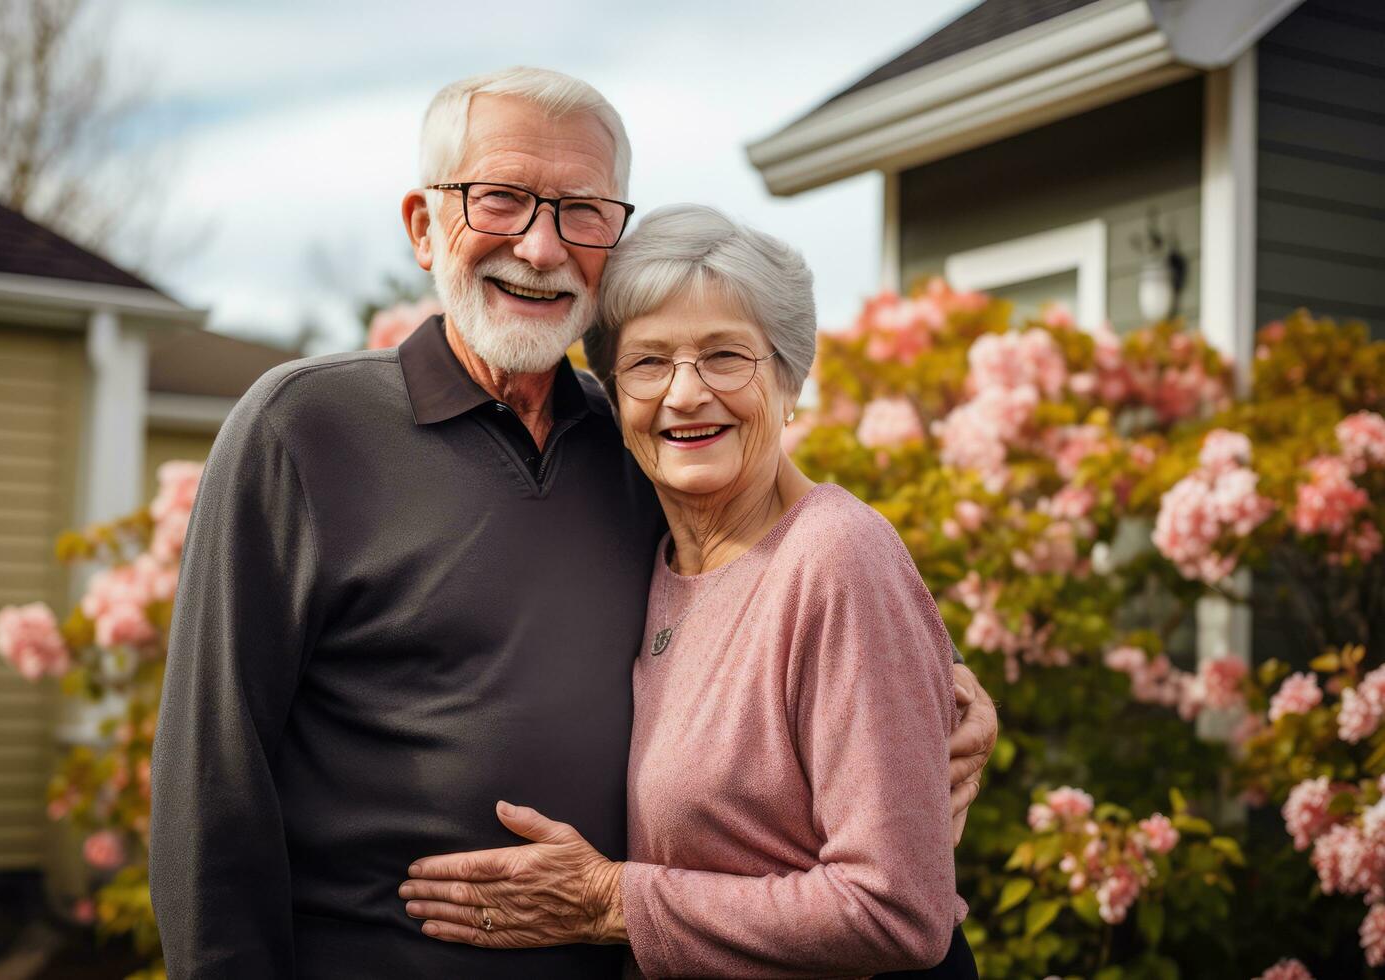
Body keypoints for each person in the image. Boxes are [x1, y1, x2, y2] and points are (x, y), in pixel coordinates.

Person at [149, 67, 996, 979]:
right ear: (424, 226)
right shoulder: (302, 432)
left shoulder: (642, 440)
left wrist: (942, 686)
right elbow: (212, 792)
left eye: (583, 211)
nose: (544, 247)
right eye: (502, 200)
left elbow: (800, 574)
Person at [398, 204, 978, 977]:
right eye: (648, 363)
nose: (684, 394)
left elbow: (895, 910)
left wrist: (611, 902)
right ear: (611, 394)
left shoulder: (835, 555)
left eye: (725, 357)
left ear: (790, 375)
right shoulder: (653, 551)